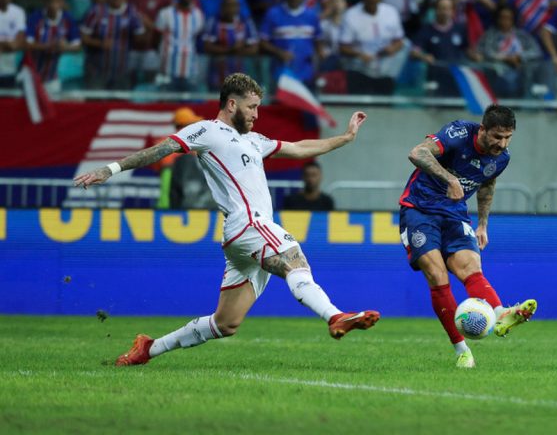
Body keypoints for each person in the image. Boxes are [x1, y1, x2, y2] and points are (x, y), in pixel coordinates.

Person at [73, 73, 380, 366]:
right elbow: (161, 149)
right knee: (294, 262)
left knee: (225, 323)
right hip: (250, 224)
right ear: (232, 104)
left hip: (241, 238)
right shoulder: (206, 131)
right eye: (252, 107)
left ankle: (149, 348)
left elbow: (299, 148)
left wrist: (345, 138)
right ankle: (334, 316)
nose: (256, 114)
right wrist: (108, 170)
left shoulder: (254, 140)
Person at [399, 105, 537, 369]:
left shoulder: (502, 158)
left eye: (508, 137)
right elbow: (417, 153)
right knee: (438, 276)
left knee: (471, 268)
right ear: (483, 129)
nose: (502, 143)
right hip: (420, 209)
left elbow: (487, 183)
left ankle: (502, 314)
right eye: (497, 136)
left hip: (455, 214)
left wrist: (483, 223)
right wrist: (449, 178)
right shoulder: (459, 132)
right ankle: (462, 350)